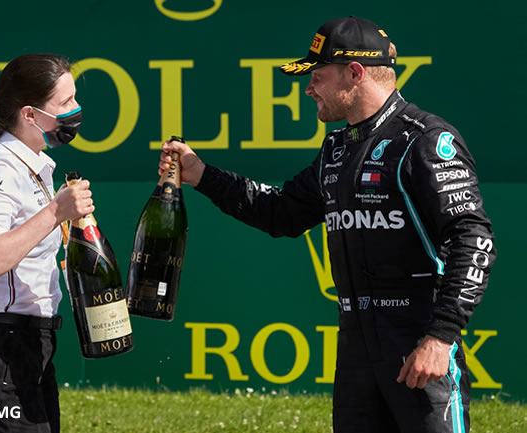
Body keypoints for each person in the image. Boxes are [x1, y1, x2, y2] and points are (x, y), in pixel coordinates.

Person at [159, 16, 495, 433]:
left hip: (418, 341)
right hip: (356, 348)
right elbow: (280, 212)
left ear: (354, 73)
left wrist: (441, 336)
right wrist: (203, 175)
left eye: (317, 76)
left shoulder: (424, 139)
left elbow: (473, 237)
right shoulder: (337, 149)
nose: (308, 88)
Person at [0, 53, 93, 433]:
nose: (76, 110)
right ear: (30, 115)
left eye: (75, 98)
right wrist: (55, 213)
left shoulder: (34, 164)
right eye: (64, 103)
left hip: (33, 343)